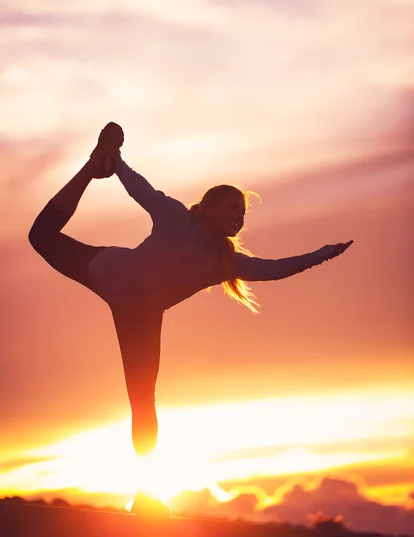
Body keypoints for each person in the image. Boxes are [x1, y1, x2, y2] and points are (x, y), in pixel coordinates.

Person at [28, 122, 353, 514]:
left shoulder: (223, 263)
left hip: (141, 318)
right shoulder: (173, 215)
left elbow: (276, 268)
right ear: (210, 206)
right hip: (107, 269)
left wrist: (322, 254)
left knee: (142, 402)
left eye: (243, 213)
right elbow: (140, 189)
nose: (240, 216)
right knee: (40, 236)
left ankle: (147, 493)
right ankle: (92, 165)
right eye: (233, 207)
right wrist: (114, 162)